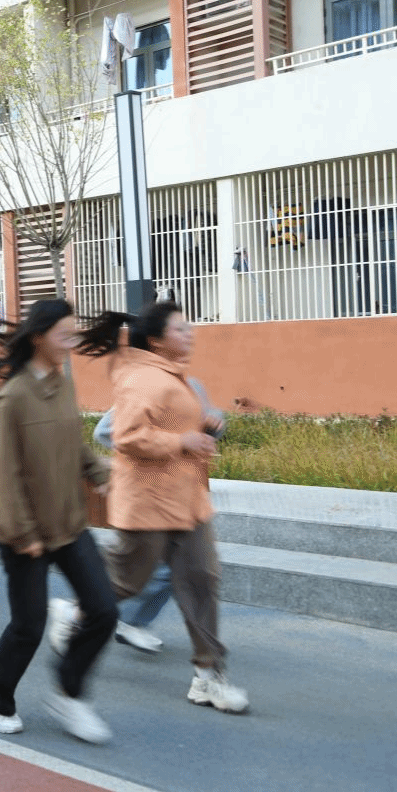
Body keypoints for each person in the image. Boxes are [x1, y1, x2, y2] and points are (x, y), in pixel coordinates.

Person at [73, 301, 249, 714]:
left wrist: (204, 431)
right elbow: (125, 435)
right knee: (129, 580)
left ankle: (208, 675)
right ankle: (78, 613)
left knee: (202, 579)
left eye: (189, 328)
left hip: (187, 500)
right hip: (149, 501)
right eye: (180, 329)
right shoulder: (141, 379)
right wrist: (181, 441)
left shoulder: (177, 377)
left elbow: (178, 425)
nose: (190, 334)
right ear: (156, 340)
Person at [0, 299, 117, 744]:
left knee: (104, 609)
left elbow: (73, 441)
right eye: (63, 334)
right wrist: (23, 534)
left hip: (69, 525)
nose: (71, 342)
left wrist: (99, 472)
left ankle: (69, 691)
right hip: (26, 534)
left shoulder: (62, 383)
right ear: (38, 338)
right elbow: (5, 474)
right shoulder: (12, 398)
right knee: (28, 627)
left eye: (73, 333)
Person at [51, 380, 227, 656]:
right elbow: (106, 431)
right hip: (148, 496)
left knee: (181, 569)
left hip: (184, 495)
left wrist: (214, 424)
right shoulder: (145, 385)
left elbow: (208, 423)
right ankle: (79, 613)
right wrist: (169, 444)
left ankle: (126, 620)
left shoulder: (192, 385)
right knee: (135, 572)